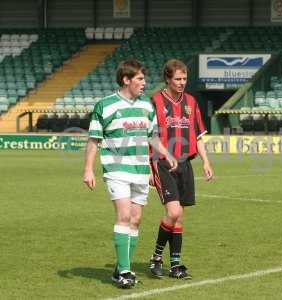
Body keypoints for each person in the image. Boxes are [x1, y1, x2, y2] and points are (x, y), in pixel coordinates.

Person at [83, 60, 177, 289]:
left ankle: (121, 267)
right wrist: (88, 169)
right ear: (126, 80)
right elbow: (94, 139)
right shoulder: (104, 106)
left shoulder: (146, 105)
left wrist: (167, 154)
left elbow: (152, 137)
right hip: (116, 169)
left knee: (135, 220)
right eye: (140, 79)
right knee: (124, 216)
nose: (144, 83)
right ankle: (124, 271)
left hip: (140, 170)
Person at [148, 59, 214, 279]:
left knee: (179, 217)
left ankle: (175, 264)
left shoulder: (191, 102)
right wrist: (149, 166)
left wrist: (205, 161)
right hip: (162, 162)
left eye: (184, 79)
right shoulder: (155, 101)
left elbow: (198, 136)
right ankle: (156, 257)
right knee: (173, 212)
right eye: (177, 79)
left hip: (185, 163)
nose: (182, 82)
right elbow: (149, 136)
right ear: (167, 79)